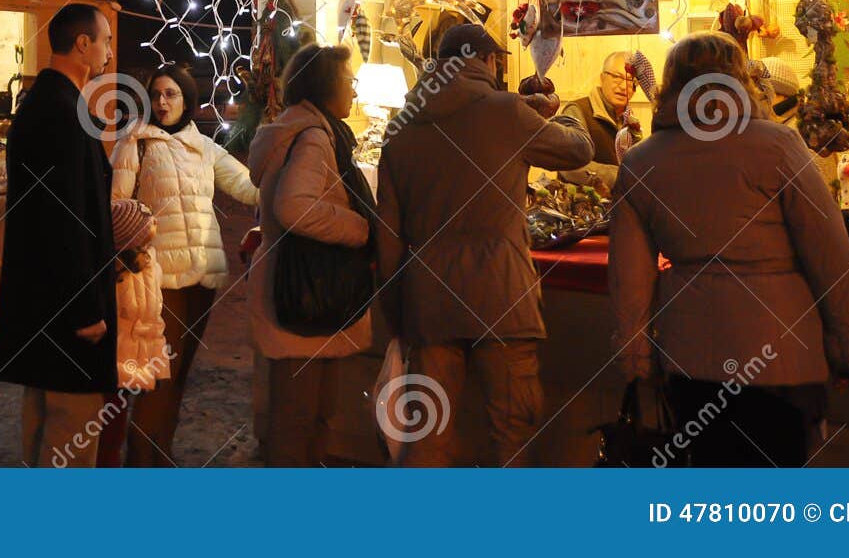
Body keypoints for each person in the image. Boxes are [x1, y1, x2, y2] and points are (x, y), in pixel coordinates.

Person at [609, 32, 849, 466]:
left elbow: (629, 279)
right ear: (740, 79)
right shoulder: (778, 146)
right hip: (781, 357)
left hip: (690, 356)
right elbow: (829, 254)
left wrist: (637, 363)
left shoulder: (642, 162)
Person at [376, 25, 595, 466]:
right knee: (512, 428)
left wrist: (398, 314)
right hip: (502, 297)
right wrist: (562, 115)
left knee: (428, 434)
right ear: (490, 62)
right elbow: (578, 152)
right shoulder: (506, 111)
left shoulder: (402, 128)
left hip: (429, 300)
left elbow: (388, 238)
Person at [0, 3, 119, 467]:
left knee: (44, 413)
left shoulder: (53, 104)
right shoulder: (60, 112)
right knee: (71, 424)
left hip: (45, 299)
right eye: (103, 40)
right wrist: (85, 307)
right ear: (82, 44)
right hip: (63, 304)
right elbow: (63, 218)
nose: (108, 50)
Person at [110, 63, 258, 465]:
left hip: (203, 275)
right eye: (156, 94)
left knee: (179, 376)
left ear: (188, 99)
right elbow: (117, 206)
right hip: (162, 279)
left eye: (171, 94)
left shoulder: (204, 146)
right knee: (158, 378)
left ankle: (162, 454)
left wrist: (285, 172)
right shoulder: (136, 142)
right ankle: (141, 463)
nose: (162, 102)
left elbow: (246, 188)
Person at [246, 44, 375, 466]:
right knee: (300, 416)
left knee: (302, 413)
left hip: (293, 282)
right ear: (326, 87)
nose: (354, 92)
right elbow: (294, 207)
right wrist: (358, 229)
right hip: (305, 287)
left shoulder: (298, 130)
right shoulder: (316, 138)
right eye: (348, 82)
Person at [95, 199, 169, 467]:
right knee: (107, 429)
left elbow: (154, 321)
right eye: (147, 223)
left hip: (134, 360)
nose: (155, 223)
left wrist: (155, 366)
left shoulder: (150, 267)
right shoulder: (112, 276)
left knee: (117, 425)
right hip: (112, 364)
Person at [553, 50, 638, 191]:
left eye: (631, 81)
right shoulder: (578, 110)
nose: (624, 87)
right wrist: (620, 175)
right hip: (580, 206)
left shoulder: (631, 121)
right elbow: (568, 166)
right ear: (602, 78)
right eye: (617, 77)